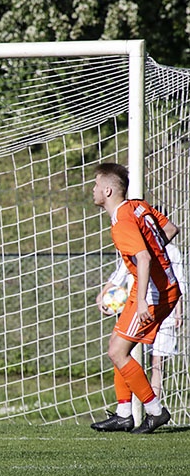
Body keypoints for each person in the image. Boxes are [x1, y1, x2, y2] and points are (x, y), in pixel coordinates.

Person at [90, 163, 181, 434]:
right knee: (117, 347)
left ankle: (155, 411)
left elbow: (142, 257)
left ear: (107, 190)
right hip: (153, 288)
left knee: (117, 352)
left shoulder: (121, 223)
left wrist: (142, 299)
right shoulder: (138, 206)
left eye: (95, 185)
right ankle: (123, 414)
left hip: (153, 294)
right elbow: (171, 229)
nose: (93, 190)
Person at [98, 240, 185, 398]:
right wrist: (103, 294)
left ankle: (154, 406)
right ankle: (131, 405)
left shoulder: (171, 251)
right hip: (138, 311)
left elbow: (177, 280)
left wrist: (179, 311)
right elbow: (120, 273)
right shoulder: (136, 246)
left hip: (165, 311)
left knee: (157, 362)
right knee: (127, 356)